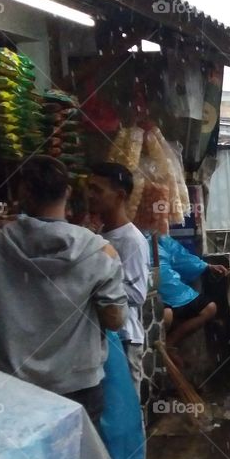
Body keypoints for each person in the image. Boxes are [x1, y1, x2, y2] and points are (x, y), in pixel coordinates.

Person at [0, 155, 126, 426]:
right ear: (67, 192)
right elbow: (114, 319)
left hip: (17, 386)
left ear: (23, 194)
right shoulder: (99, 250)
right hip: (80, 384)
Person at [87, 162, 151, 393]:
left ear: (120, 195)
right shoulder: (98, 235)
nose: (90, 195)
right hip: (104, 338)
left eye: (97, 190)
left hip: (124, 338)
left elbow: (137, 294)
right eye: (89, 188)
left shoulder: (131, 240)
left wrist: (92, 285)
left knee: (126, 412)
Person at [156, 234, 228, 353]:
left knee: (210, 308)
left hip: (177, 292)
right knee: (166, 315)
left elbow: (182, 258)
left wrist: (207, 266)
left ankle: (171, 342)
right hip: (156, 295)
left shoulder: (161, 240)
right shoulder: (132, 240)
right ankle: (161, 351)